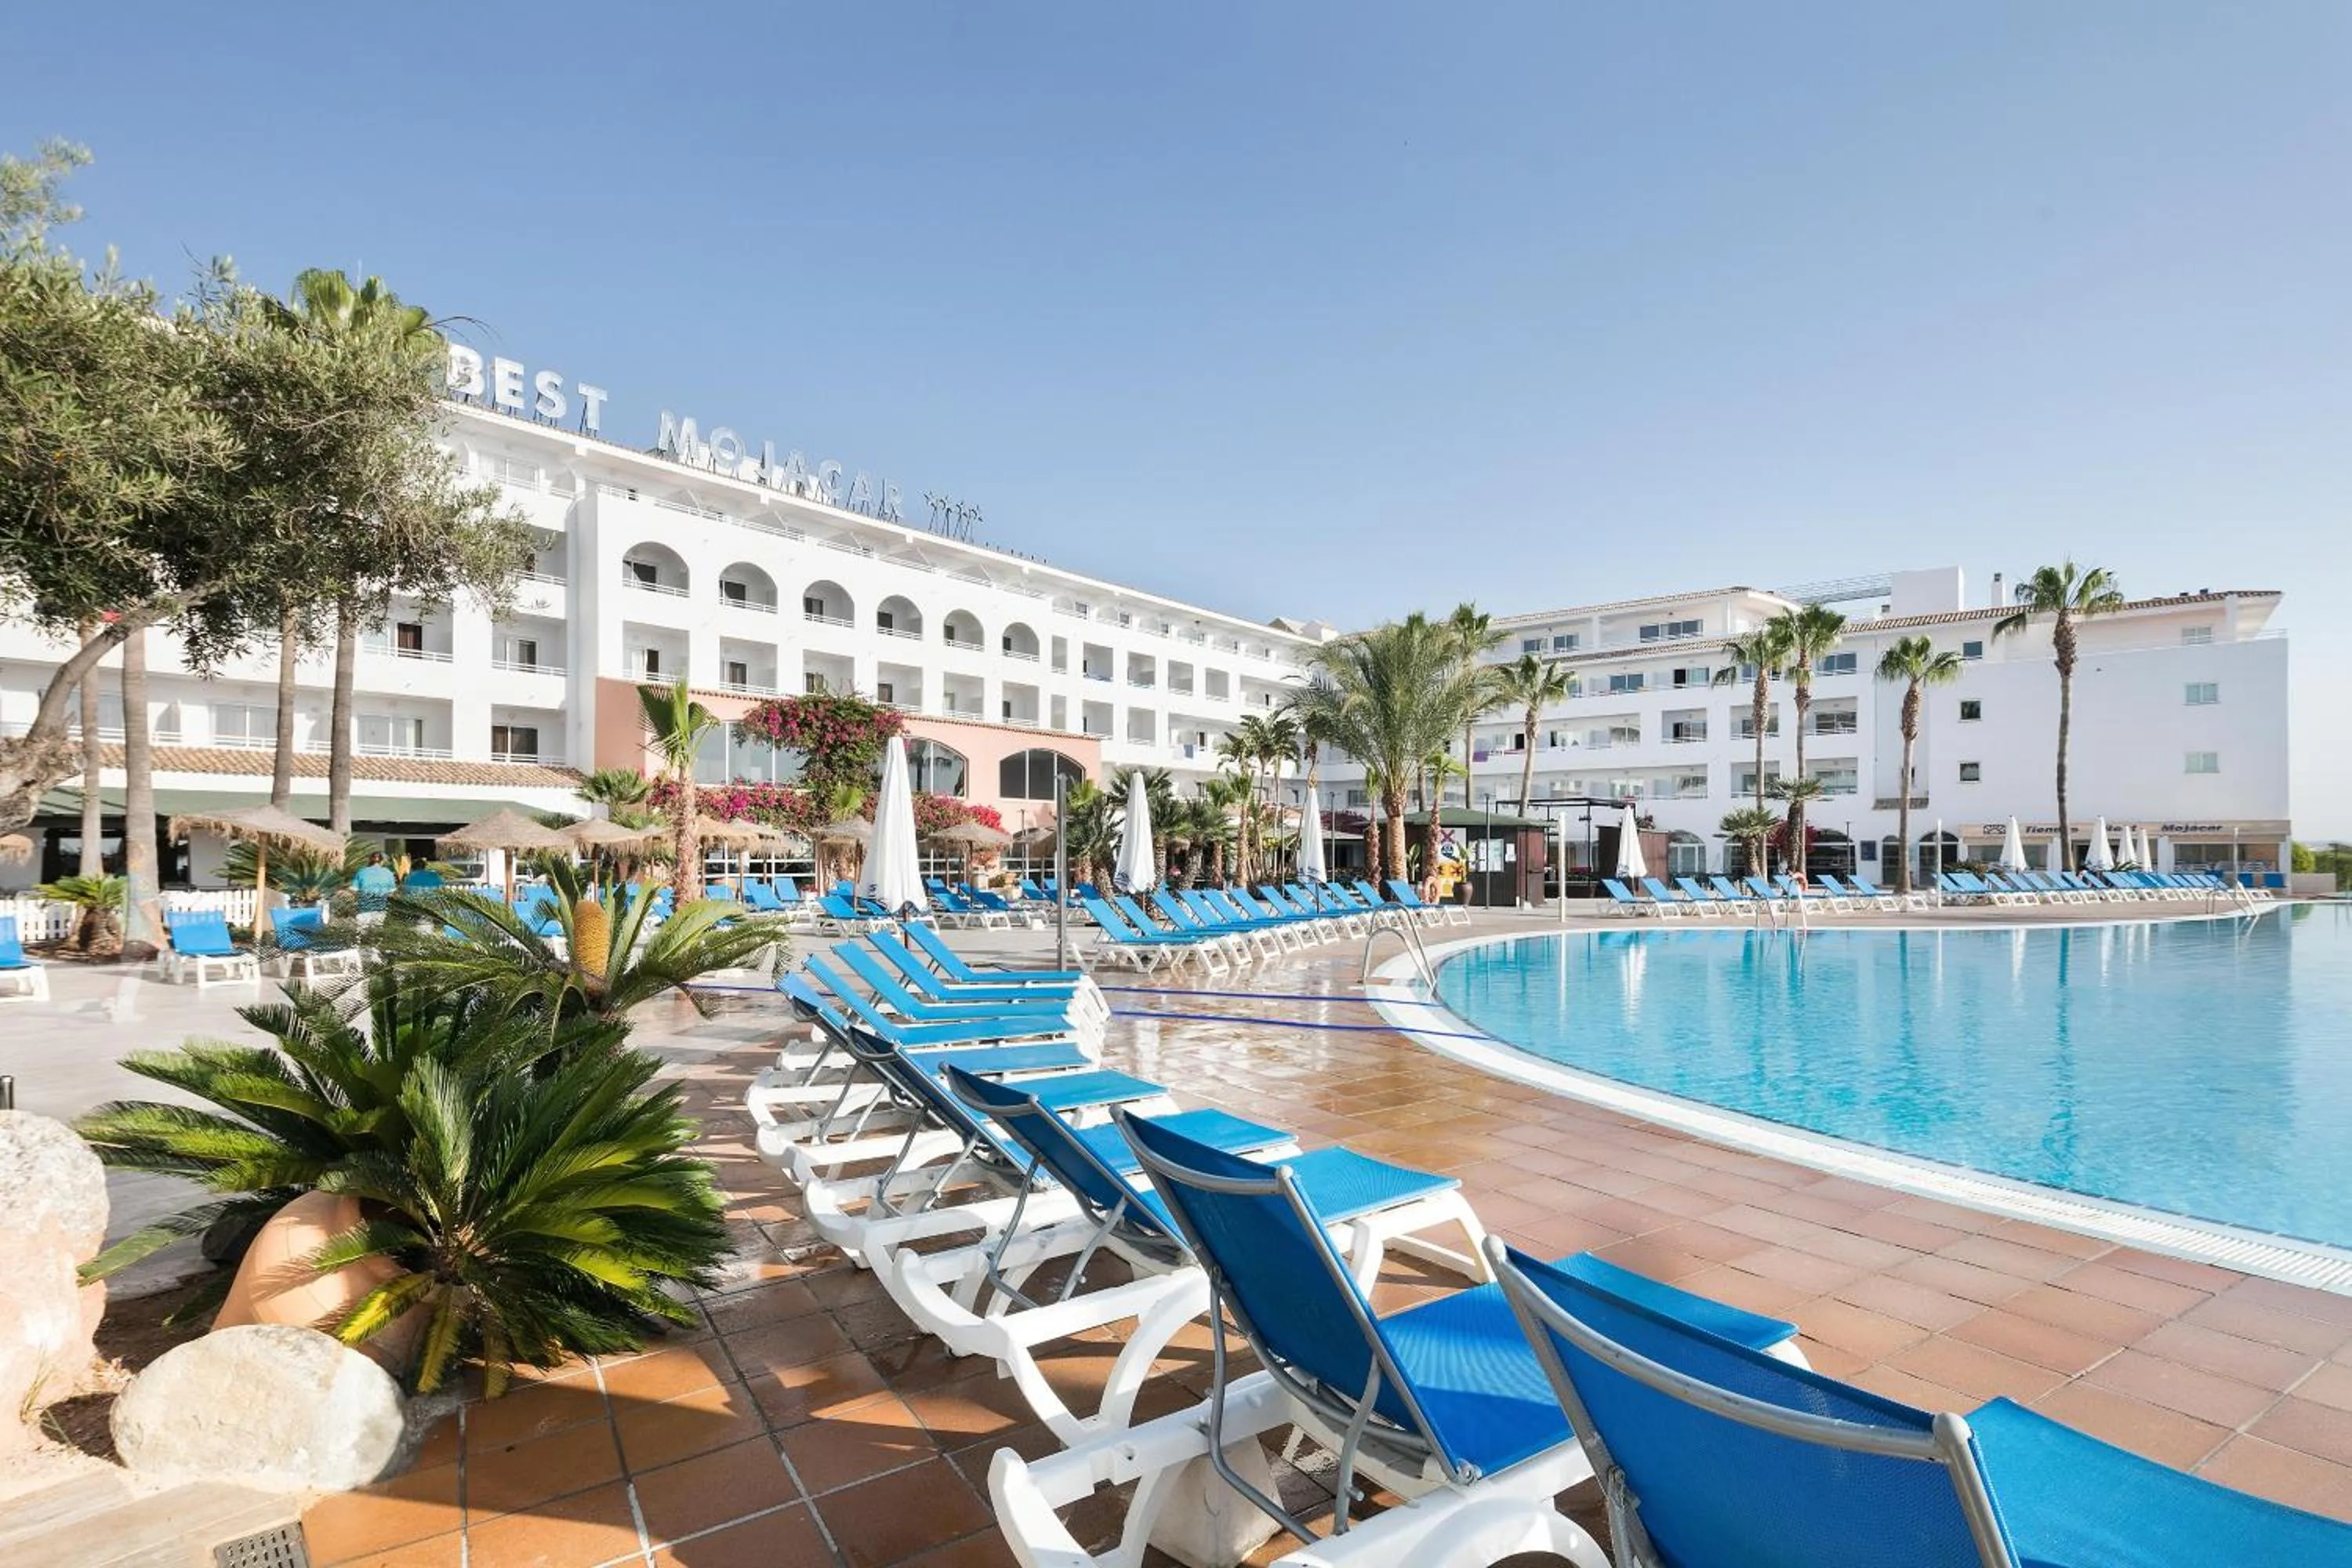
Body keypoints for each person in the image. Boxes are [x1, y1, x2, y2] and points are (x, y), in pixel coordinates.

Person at [353, 851, 397, 916]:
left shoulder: (361, 872)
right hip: (380, 910)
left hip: (363, 910)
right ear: (382, 861)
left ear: (370, 860)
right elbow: (391, 893)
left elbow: (354, 890)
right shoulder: (389, 873)